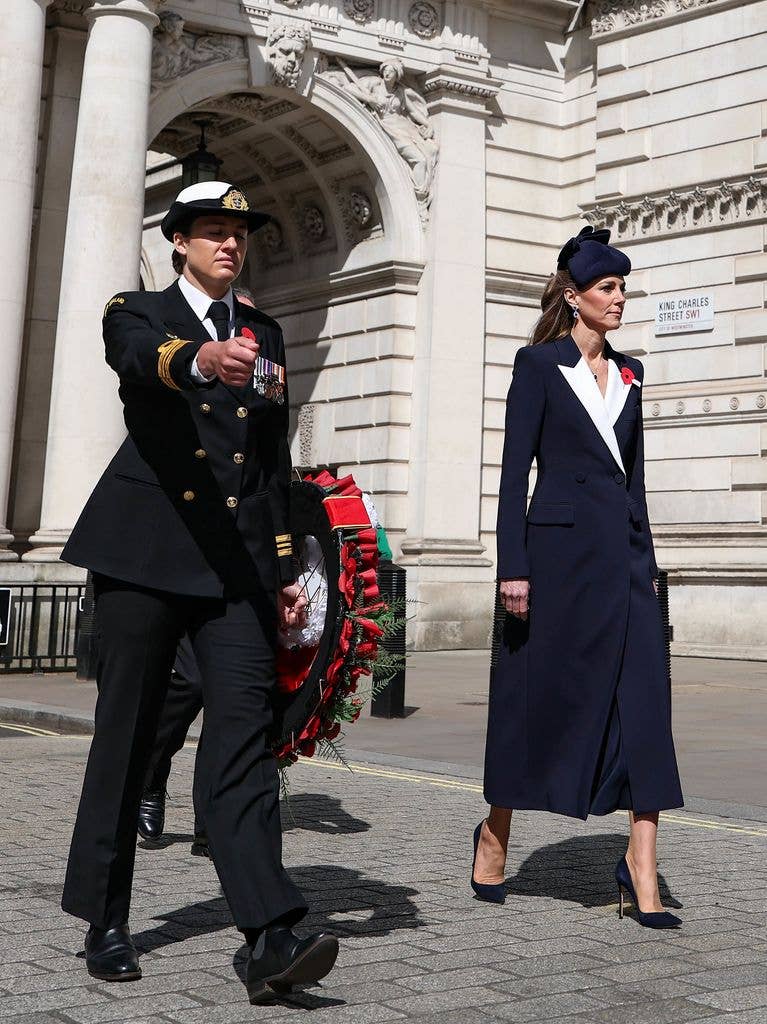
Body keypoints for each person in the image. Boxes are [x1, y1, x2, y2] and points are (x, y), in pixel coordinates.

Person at [60, 180, 339, 1002]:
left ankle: (267, 935)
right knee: (129, 735)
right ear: (179, 241)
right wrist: (201, 362)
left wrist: (287, 570)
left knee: (245, 737)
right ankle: (105, 917)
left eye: (238, 234)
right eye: (212, 232)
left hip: (236, 569)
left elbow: (268, 466)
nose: (229, 244)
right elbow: (139, 361)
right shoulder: (137, 309)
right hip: (145, 555)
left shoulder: (266, 331)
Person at [474, 226, 683, 929]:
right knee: (534, 697)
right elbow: (511, 477)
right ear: (574, 297)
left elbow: (639, 480)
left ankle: (640, 864)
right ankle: (495, 832)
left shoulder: (632, 374)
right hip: (555, 563)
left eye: (621, 287)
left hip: (621, 562)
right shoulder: (536, 368)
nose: (619, 299)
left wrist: (648, 567)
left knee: (644, 704)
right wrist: (513, 568)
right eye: (607, 288)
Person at [137, 286, 260, 856]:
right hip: (177, 541)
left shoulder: (261, 350)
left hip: (236, 553)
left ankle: (216, 817)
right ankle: (151, 777)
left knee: (229, 693)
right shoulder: (166, 337)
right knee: (187, 683)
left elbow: (263, 444)